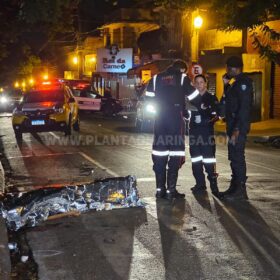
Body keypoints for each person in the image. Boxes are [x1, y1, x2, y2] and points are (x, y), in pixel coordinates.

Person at [146, 59, 197, 200]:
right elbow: (193, 96)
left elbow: (148, 97)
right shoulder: (182, 77)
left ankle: (159, 190)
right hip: (175, 120)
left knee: (159, 155)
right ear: (182, 70)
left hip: (160, 120)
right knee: (175, 154)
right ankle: (171, 191)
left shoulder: (156, 78)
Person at [219, 56, 253, 200]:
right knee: (233, 157)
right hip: (232, 127)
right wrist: (226, 85)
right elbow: (226, 104)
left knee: (238, 157)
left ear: (234, 68)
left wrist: (237, 129)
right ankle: (234, 187)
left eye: (228, 68)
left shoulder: (244, 83)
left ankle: (240, 191)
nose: (226, 70)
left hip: (237, 129)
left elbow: (244, 109)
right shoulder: (235, 83)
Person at [186, 74, 221, 197]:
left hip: (206, 133)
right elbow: (185, 114)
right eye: (197, 82)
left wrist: (207, 118)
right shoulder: (190, 99)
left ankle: (214, 186)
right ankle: (200, 185)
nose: (200, 84)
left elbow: (217, 115)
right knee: (196, 160)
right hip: (194, 133)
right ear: (194, 84)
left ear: (205, 83)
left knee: (209, 159)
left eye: (202, 82)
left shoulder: (211, 98)